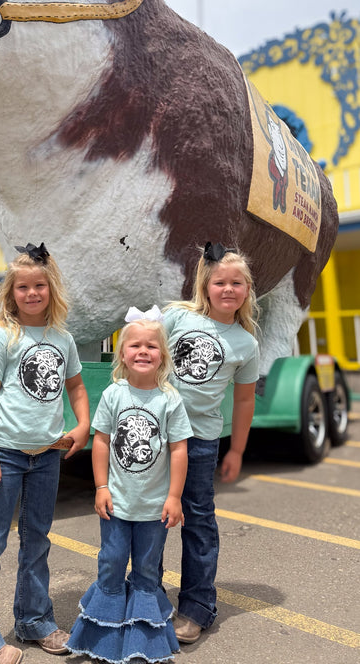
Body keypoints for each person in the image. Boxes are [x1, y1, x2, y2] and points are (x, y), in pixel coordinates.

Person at [0, 243, 91, 664]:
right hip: (7, 455)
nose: (32, 293)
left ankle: (34, 621)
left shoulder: (63, 340)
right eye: (23, 287)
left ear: (52, 290)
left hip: (47, 456)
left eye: (39, 286)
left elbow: (76, 387)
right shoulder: (4, 337)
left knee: (37, 540)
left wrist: (83, 424)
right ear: (11, 294)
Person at [66, 306, 193, 664]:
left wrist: (174, 497)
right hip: (117, 504)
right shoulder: (113, 394)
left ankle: (143, 642)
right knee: (111, 562)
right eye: (135, 345)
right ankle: (103, 638)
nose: (143, 351)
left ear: (162, 355)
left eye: (151, 346)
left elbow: (179, 450)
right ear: (121, 354)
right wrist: (100, 487)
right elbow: (101, 441)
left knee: (147, 571)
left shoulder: (170, 399)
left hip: (154, 508)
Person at [163, 242, 260, 645]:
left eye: (237, 283)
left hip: (200, 441)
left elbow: (244, 400)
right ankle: (147, 598)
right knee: (146, 518)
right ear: (205, 286)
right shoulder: (176, 317)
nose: (228, 289)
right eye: (220, 282)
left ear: (247, 289)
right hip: (155, 435)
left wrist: (236, 449)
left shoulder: (245, 344)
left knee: (198, 520)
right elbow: (139, 352)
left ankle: (197, 606)